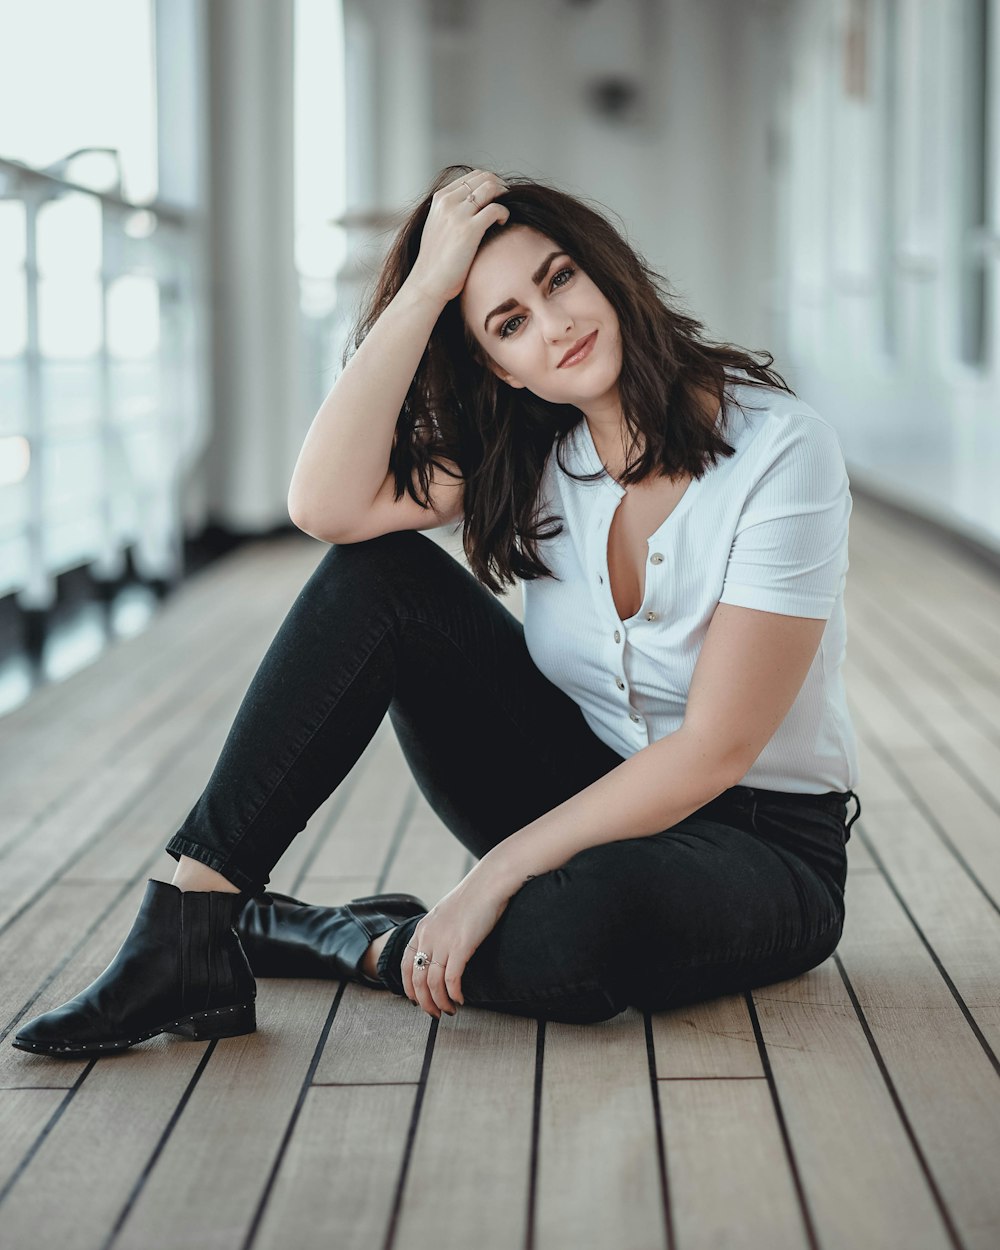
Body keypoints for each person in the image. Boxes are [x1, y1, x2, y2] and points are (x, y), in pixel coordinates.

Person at [13, 165, 862, 1057]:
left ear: (606, 267)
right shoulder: (538, 450)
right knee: (375, 575)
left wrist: (494, 874)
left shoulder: (777, 450)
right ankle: (189, 923)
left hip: (764, 845)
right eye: (510, 323)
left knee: (577, 927)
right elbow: (325, 507)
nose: (557, 325)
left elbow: (715, 749)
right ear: (499, 366)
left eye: (559, 277)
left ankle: (355, 940)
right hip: (583, 781)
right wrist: (424, 287)